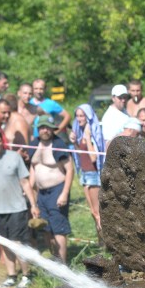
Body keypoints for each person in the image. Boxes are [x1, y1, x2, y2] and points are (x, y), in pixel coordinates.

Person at [0, 129, 39, 288]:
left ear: (2, 141)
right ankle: (12, 275)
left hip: (17, 208)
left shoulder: (15, 157)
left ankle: (26, 275)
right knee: (4, 244)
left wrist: (33, 205)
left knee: (18, 243)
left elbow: (25, 182)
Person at [29, 116, 73, 263]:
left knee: (58, 227)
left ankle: (63, 266)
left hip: (57, 190)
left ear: (53, 129)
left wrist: (64, 193)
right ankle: (54, 260)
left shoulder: (58, 144)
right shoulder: (34, 144)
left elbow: (70, 169)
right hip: (41, 193)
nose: (45, 130)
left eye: (48, 127)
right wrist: (31, 190)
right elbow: (33, 167)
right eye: (42, 127)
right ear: (38, 129)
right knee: (46, 227)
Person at [70, 104, 105, 234]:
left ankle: (105, 241)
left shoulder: (92, 132)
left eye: (82, 116)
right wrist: (74, 142)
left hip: (94, 175)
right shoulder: (80, 131)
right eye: (77, 116)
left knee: (98, 212)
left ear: (87, 116)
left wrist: (88, 139)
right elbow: (80, 154)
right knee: (93, 212)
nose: (79, 119)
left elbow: (93, 158)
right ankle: (100, 240)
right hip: (85, 174)